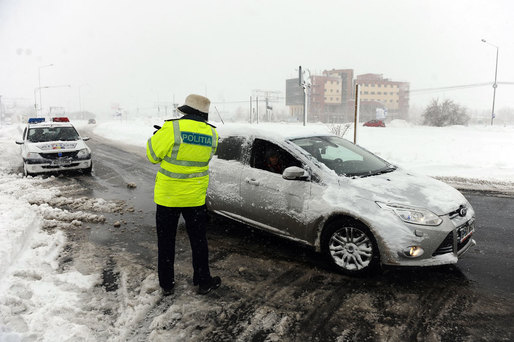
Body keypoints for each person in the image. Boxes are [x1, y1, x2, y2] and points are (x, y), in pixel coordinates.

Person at [146, 94, 221, 296]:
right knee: (198, 241)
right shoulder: (212, 134)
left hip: (168, 198)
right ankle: (203, 280)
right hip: (195, 198)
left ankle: (167, 284)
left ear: (186, 111)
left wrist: (157, 137)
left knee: (166, 242)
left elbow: (152, 156)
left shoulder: (172, 128)